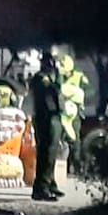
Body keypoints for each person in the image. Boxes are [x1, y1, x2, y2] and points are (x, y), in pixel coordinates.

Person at [28, 52, 63, 201]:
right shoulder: (40, 78)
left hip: (53, 117)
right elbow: (54, 92)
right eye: (51, 62)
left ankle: (50, 183)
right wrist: (57, 79)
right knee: (46, 154)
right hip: (45, 118)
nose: (53, 65)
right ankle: (41, 187)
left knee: (52, 153)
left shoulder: (51, 77)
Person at [57, 54, 92, 175]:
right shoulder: (58, 76)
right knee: (60, 138)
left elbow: (90, 91)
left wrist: (77, 94)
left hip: (75, 113)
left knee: (74, 139)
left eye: (62, 65)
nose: (61, 68)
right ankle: (62, 166)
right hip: (62, 111)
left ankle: (76, 166)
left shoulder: (79, 76)